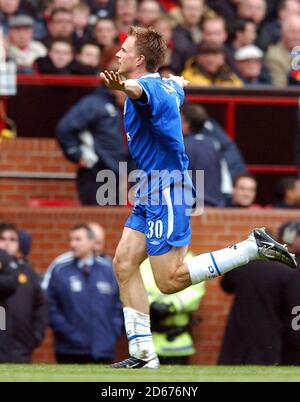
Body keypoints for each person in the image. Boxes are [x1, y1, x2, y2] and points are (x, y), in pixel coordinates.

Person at [100, 26, 296, 369]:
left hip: (167, 191)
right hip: (150, 189)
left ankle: (251, 247)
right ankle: (144, 354)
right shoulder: (168, 86)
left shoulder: (146, 87)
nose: (118, 54)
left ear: (140, 60)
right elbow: (175, 87)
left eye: (124, 49)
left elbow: (140, 91)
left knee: (169, 280)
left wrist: (125, 86)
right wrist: (178, 82)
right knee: (124, 264)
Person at [218, 224, 300, 365]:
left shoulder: (241, 265)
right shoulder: (287, 271)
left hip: (237, 336)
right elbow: (293, 309)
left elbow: (226, 286)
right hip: (269, 337)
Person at [43, 224, 123, 364]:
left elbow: (119, 306)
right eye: (71, 239)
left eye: (78, 239)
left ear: (92, 242)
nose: (72, 244)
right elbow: (51, 307)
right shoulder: (60, 270)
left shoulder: (109, 270)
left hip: (103, 349)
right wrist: (69, 333)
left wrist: (112, 334)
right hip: (68, 350)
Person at [56, 83, 124, 205]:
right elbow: (65, 128)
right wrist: (77, 155)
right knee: (97, 219)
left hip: (115, 175)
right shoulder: (93, 104)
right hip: (95, 172)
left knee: (114, 221)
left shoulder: (119, 109)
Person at [140, 254, 205, 365]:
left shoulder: (191, 261)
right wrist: (151, 305)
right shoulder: (146, 263)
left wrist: (172, 305)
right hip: (148, 340)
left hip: (178, 342)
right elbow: (137, 288)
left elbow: (195, 292)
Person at [0, 223, 47, 363]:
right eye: (2, 239)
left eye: (12, 239)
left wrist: (36, 335)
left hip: (21, 348)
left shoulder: (28, 272)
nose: (7, 243)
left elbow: (41, 305)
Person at [181, 102, 225, 207]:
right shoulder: (212, 145)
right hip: (215, 207)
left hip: (192, 208)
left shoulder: (184, 146)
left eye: (178, 120)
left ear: (187, 124)